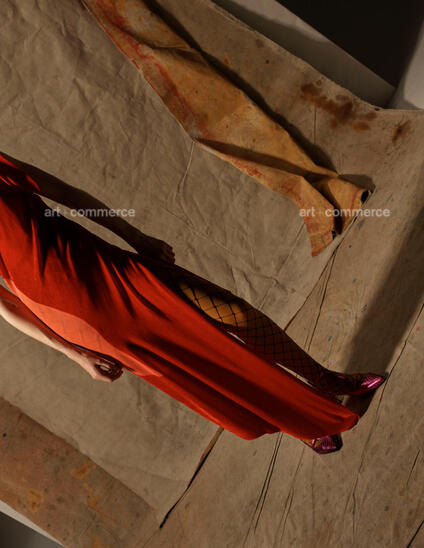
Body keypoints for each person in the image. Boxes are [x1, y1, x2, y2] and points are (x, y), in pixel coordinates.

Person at [0, 151, 385, 454]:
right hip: (81, 321)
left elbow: (67, 195)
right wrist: (75, 355)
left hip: (109, 268)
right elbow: (8, 307)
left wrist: (135, 236)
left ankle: (325, 379)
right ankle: (301, 424)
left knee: (236, 315)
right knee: (204, 371)